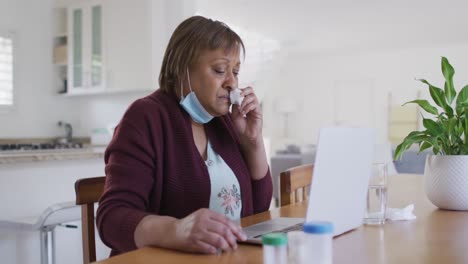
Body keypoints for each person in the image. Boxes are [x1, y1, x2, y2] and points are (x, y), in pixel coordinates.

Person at [96, 15, 273, 256]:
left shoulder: (223, 122)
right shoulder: (146, 117)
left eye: (236, 71)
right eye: (220, 70)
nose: (232, 83)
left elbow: (258, 211)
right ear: (182, 69)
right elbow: (112, 218)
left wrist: (252, 143)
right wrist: (175, 230)